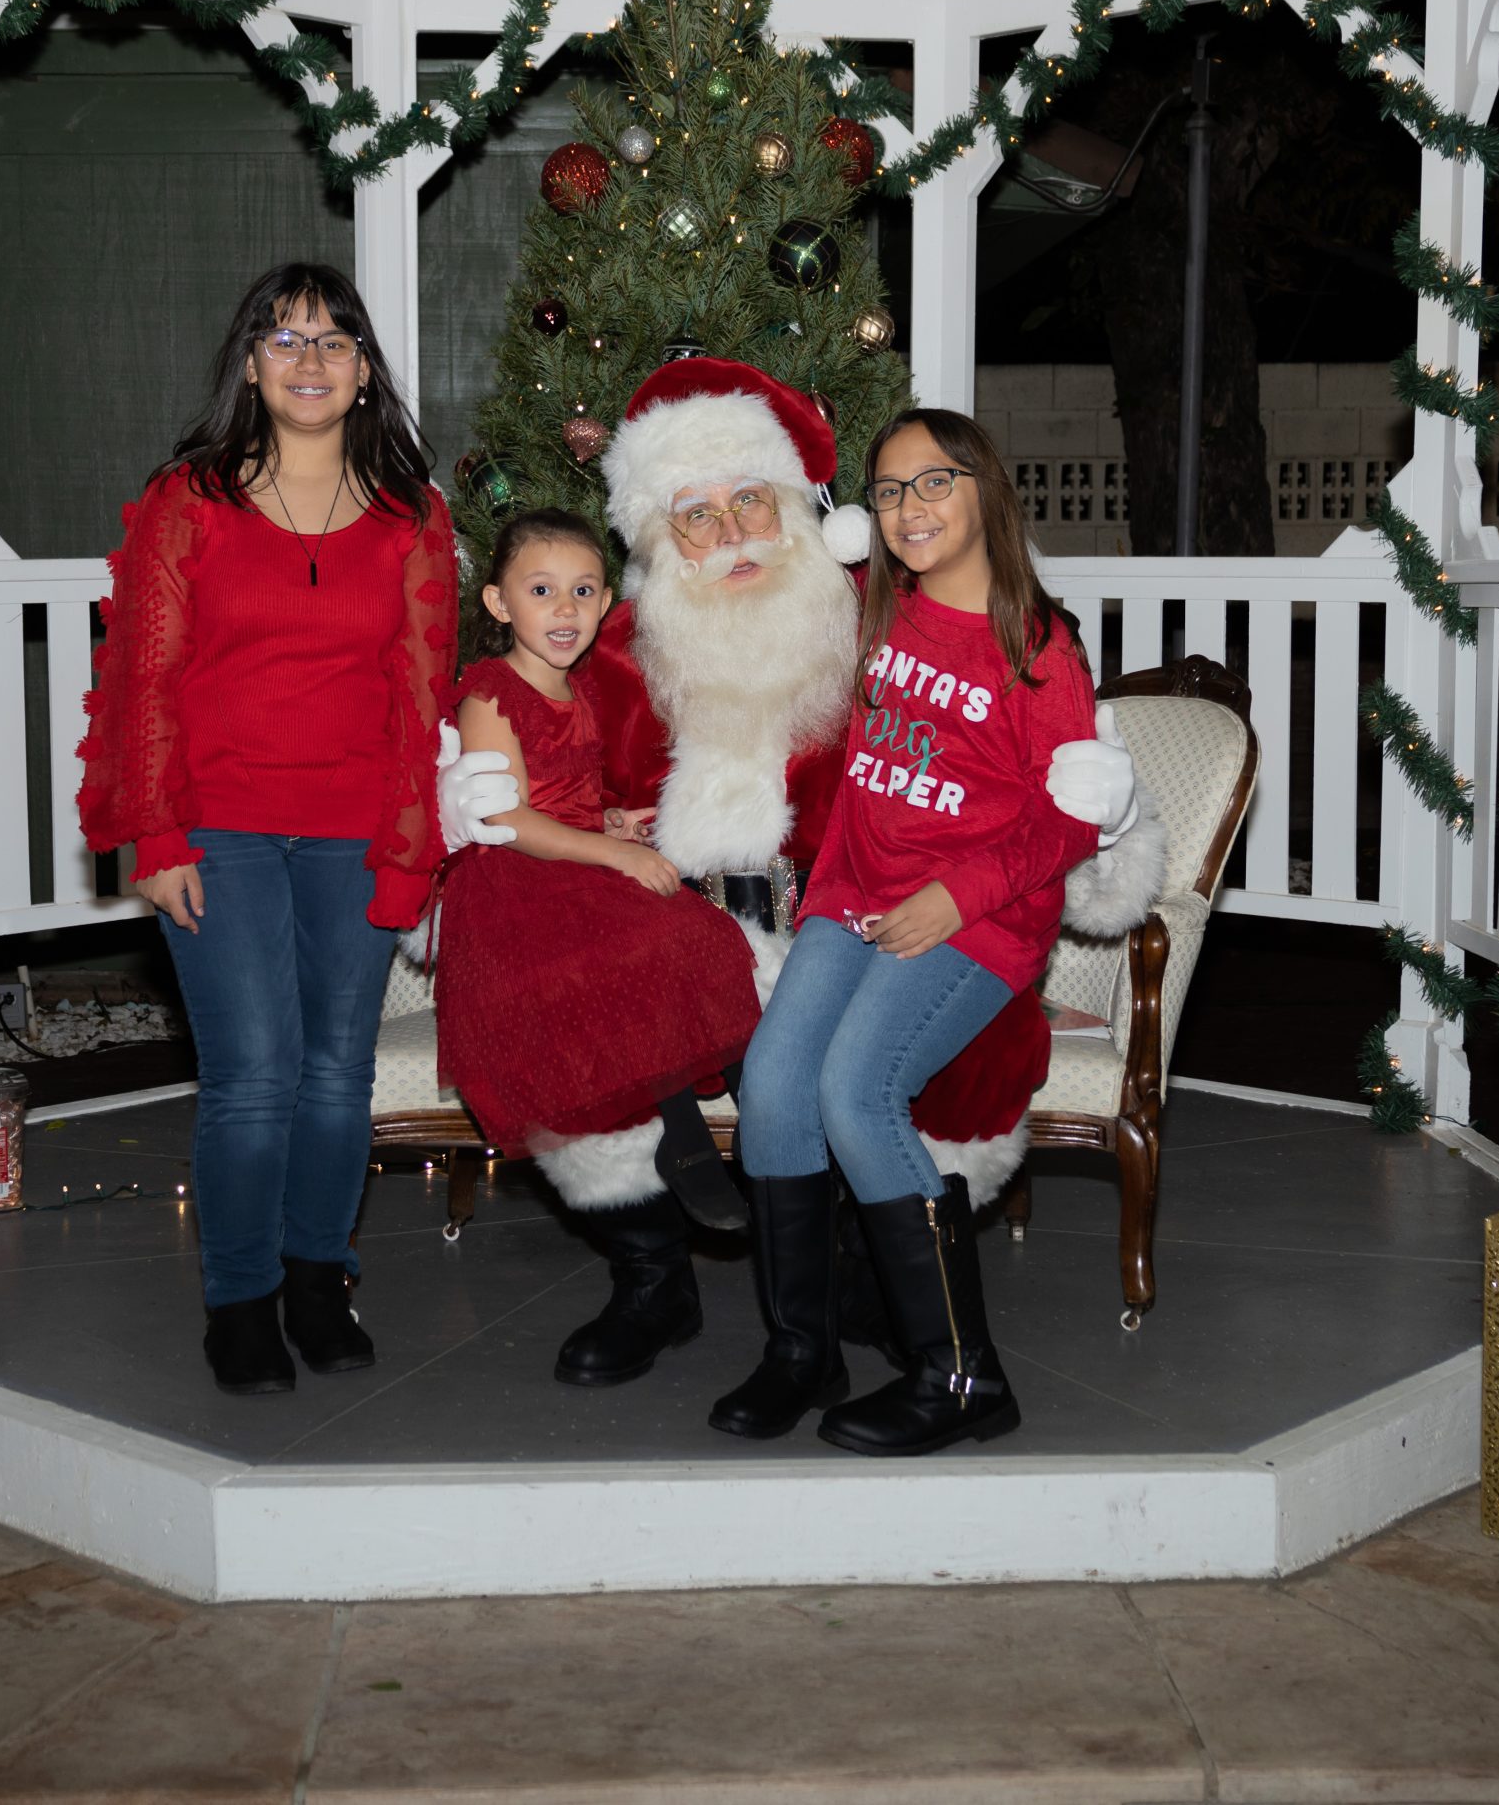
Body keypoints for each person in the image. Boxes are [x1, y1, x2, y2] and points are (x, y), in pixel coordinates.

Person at [431, 359, 1164, 1392]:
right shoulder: (607, 650)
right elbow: (535, 772)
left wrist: (1103, 822)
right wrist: (488, 806)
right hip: (707, 930)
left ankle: (891, 1301)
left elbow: (1043, 768)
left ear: (806, 511)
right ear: (656, 541)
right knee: (585, 1012)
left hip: (904, 924)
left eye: (753, 501)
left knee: (907, 1072)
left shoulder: (865, 614)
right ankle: (664, 1282)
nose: (732, 533)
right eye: (695, 515)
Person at [77, 262, 456, 1396]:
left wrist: (409, 853)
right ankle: (239, 1300)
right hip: (220, 829)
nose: (309, 360)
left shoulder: (412, 516)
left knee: (337, 1076)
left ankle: (317, 1281)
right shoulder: (188, 500)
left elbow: (421, 698)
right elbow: (145, 678)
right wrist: (155, 840)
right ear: (250, 364)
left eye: (334, 341)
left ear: (364, 372)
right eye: (284, 339)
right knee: (253, 1075)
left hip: (353, 832)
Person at [717, 408, 1101, 1456]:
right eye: (888, 490)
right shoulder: (880, 616)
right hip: (856, 897)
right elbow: (861, 780)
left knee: (855, 1091)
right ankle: (803, 1350)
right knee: (774, 1086)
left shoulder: (1039, 647)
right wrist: (827, 896)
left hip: (978, 918)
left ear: (983, 491)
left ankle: (962, 1374)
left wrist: (956, 897)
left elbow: (1071, 817)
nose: (909, 507)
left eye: (933, 482)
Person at [435, 512, 763, 1331]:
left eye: (583, 592)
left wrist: (610, 823)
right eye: (542, 591)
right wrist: (608, 852)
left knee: (697, 939)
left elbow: (569, 798)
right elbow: (506, 815)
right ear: (499, 603)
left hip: (575, 863)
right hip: (515, 882)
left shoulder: (579, 688)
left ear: (606, 599)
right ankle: (679, 1140)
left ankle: (746, 1144)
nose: (565, 609)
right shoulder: (491, 690)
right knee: (618, 955)